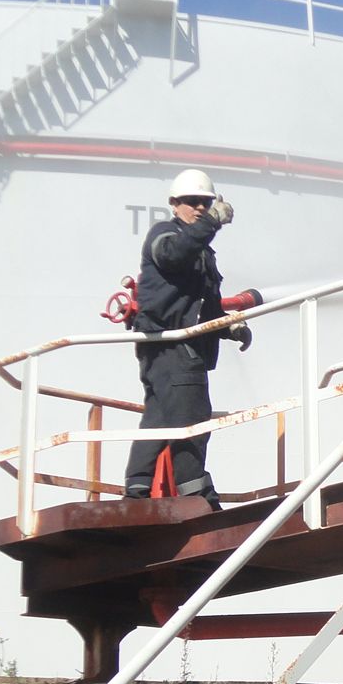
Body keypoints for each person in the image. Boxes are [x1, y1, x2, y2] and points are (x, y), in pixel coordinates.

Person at [124, 168, 252, 510]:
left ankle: (136, 493)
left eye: (205, 203)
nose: (199, 208)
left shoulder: (201, 251)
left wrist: (228, 327)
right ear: (174, 203)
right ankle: (198, 499)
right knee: (191, 420)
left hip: (172, 347)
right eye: (192, 202)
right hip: (174, 346)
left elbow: (202, 307)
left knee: (159, 419)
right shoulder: (165, 235)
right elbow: (173, 255)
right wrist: (211, 223)